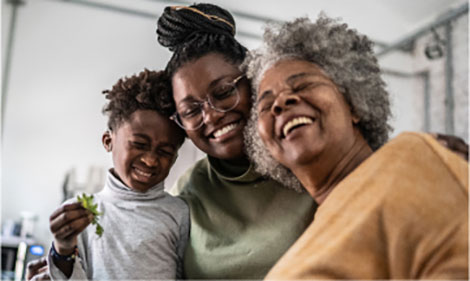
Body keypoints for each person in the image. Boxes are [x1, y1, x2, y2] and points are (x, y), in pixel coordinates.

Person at [242, 15, 469, 279]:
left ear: (354, 103)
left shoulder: (414, 160)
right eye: (266, 106)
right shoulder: (307, 240)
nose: (281, 103)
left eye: (303, 85)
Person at [156, 3, 316, 279]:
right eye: (192, 111)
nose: (212, 115)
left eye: (223, 92)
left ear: (254, 81)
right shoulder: (185, 194)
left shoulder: (312, 165)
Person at [46, 69, 189, 280]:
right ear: (108, 141)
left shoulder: (179, 214)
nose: (150, 160)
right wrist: (63, 249)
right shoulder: (81, 213)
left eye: (165, 152)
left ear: (175, 157)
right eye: (139, 145)